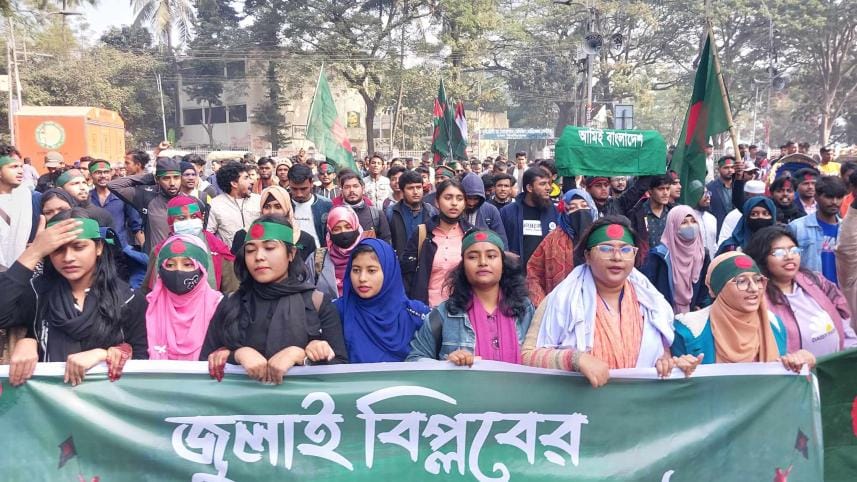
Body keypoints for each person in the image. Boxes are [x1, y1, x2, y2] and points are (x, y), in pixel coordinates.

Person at [522, 217, 698, 387]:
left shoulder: (651, 302)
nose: (617, 257)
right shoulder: (561, 301)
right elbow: (526, 356)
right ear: (587, 256)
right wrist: (575, 359)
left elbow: (662, 355)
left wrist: (668, 365)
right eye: (606, 249)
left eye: (626, 249)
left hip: (637, 408)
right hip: (581, 409)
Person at [0, 210, 148, 387]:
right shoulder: (38, 293)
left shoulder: (128, 299)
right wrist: (34, 252)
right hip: (48, 406)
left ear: (99, 248)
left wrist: (104, 355)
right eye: (58, 250)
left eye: (79, 247)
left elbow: (142, 363)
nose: (68, 258)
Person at [201, 216, 347, 384]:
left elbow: (340, 368)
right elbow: (203, 368)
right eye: (250, 250)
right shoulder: (230, 303)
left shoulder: (317, 303)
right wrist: (237, 355)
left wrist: (300, 356)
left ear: (291, 254)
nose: (259, 257)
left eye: (269, 247)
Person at [672, 252, 816, 372]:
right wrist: (677, 368)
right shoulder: (688, 329)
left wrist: (798, 360)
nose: (753, 288)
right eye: (741, 281)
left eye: (758, 280)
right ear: (720, 288)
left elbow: (781, 376)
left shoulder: (773, 324)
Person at [407, 230, 534, 364]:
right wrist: (446, 365)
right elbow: (413, 360)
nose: (483, 262)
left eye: (491, 256)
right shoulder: (445, 314)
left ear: (503, 265)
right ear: (463, 267)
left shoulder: (525, 309)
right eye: (473, 257)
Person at [745, 226, 856, 356]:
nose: (789, 257)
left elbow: (843, 315)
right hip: (795, 373)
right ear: (762, 258)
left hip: (833, 368)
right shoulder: (756, 297)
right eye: (779, 252)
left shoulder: (814, 280)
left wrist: (851, 349)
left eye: (793, 250)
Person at [336, 239, 428, 363]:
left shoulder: (415, 314)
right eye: (356, 270)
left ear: (389, 270)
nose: (362, 278)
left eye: (371, 270)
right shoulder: (338, 311)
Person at [145, 234, 223, 360]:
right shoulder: (148, 307)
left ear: (202, 269)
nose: (178, 271)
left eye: (187, 264)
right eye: (169, 265)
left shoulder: (220, 307)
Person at [143, 195, 237, 293]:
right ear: (171, 222)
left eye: (194, 216)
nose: (189, 222)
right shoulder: (160, 251)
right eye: (182, 218)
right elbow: (149, 292)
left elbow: (231, 290)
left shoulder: (217, 248)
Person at [402, 179, 474, 306]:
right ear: (437, 202)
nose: (454, 203)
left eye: (459, 198)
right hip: (428, 311)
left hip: (463, 310)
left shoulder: (471, 234)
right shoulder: (422, 233)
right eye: (448, 198)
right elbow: (408, 277)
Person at [526, 189, 597, 307]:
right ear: (564, 212)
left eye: (584, 206)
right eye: (573, 208)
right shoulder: (552, 239)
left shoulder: (601, 237)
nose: (579, 212)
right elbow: (533, 272)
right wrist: (542, 304)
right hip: (560, 307)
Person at [642, 206, 711, 314]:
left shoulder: (703, 254)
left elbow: (707, 286)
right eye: (684, 223)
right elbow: (647, 289)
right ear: (673, 226)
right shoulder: (659, 256)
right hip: (664, 317)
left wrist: (700, 306)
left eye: (693, 221)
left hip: (693, 319)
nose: (690, 226)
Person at [108, 158, 185, 253]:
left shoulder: (191, 201)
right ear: (157, 179)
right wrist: (149, 177)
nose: (172, 183)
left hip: (182, 260)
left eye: (176, 177)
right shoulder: (146, 197)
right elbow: (114, 185)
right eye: (166, 178)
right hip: (154, 262)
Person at [789, 175, 845, 284]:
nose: (834, 202)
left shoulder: (848, 229)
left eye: (839, 197)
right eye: (829, 197)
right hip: (810, 292)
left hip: (842, 294)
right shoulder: (797, 227)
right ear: (816, 197)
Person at [500, 167, 557, 268]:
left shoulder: (556, 212)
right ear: (529, 188)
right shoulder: (508, 212)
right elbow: (501, 240)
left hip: (547, 272)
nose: (548, 188)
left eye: (549, 183)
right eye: (543, 184)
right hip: (518, 274)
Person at [89, 159, 144, 247]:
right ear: (90, 176)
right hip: (95, 248)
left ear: (111, 173)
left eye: (106, 172)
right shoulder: (86, 198)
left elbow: (136, 225)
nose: (103, 176)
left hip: (120, 248)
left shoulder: (123, 195)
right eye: (98, 172)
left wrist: (145, 251)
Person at [207, 161, 261, 248]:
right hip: (229, 259)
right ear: (234, 184)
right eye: (246, 178)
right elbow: (209, 236)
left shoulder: (259, 200)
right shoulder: (215, 205)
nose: (251, 181)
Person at [386, 170, 437, 255]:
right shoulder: (391, 212)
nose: (415, 192)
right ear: (402, 191)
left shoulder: (431, 212)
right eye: (410, 188)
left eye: (418, 187)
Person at [0, 155, 37, 270]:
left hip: (19, 270)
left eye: (21, 166)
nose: (21, 171)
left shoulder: (25, 195)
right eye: (14, 167)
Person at [337, 169, 392, 243]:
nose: (351, 190)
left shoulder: (376, 215)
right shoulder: (336, 215)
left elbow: (385, 243)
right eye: (347, 187)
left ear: (362, 188)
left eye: (355, 186)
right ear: (342, 191)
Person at [289, 163, 333, 250]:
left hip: (318, 256)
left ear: (311, 183)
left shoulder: (326, 204)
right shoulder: (282, 204)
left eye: (303, 189)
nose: (299, 194)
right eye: (294, 189)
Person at [460, 172, 508, 247]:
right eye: (468, 198)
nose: (471, 203)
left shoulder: (491, 210)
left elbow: (501, 239)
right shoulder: (456, 210)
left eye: (476, 199)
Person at [717, 180, 766, 246]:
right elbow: (724, 241)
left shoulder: (769, 215)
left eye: (759, 196)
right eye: (751, 196)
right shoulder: (733, 215)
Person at [686, 180, 719, 258]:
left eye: (708, 192)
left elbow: (714, 245)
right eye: (703, 193)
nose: (708, 196)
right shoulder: (686, 219)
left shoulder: (712, 219)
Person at [707, 156, 736, 233]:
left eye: (732, 167)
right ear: (718, 169)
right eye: (726, 168)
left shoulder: (740, 187)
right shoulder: (710, 188)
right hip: (718, 229)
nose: (730, 170)